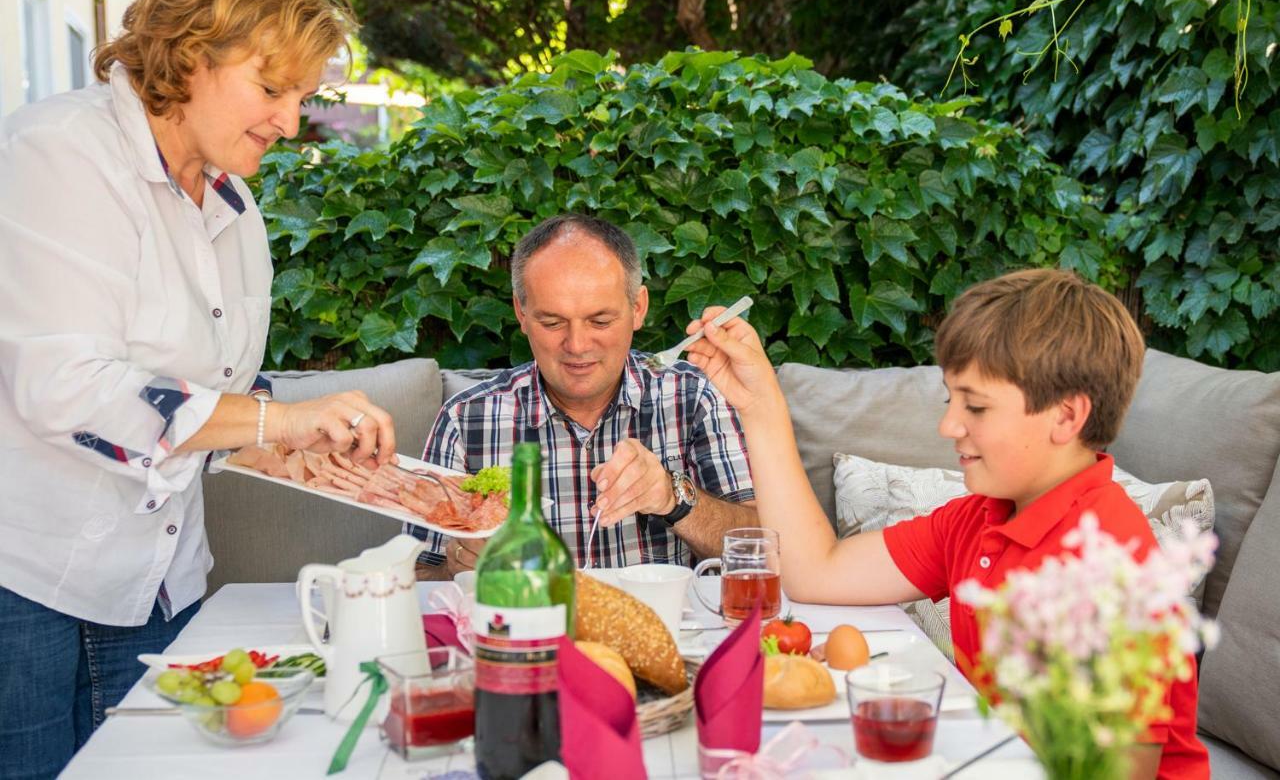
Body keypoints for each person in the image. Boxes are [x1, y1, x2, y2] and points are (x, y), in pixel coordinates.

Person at [0, 0, 397, 777]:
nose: (291, 122)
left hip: (162, 585)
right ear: (189, 54)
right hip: (26, 587)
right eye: (270, 88)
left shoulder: (236, 210)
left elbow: (197, 404)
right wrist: (278, 416)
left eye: (300, 95)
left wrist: (277, 447)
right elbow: (64, 388)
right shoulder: (58, 153)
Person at [684, 268, 1209, 780]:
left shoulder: (1111, 566)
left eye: (975, 407)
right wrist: (759, 406)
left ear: (1066, 418)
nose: (947, 425)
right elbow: (816, 571)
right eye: (950, 399)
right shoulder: (983, 516)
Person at [412, 215, 757, 577]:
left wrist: (673, 498)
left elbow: (758, 549)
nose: (577, 346)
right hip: (526, 628)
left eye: (600, 321)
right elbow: (418, 574)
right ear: (521, 313)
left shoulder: (692, 396)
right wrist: (455, 566)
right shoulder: (466, 419)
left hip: (662, 629)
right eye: (552, 322)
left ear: (638, 308)